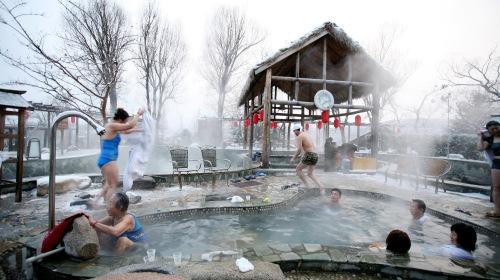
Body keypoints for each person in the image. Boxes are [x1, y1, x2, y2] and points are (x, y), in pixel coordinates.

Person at [97, 108, 144, 201]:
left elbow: (126, 131)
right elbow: (130, 125)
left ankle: (94, 202)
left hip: (105, 159)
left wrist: (140, 130)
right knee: (113, 185)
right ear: (120, 119)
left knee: (108, 184)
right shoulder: (112, 125)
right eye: (124, 122)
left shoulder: (111, 127)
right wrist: (138, 113)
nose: (124, 124)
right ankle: (109, 207)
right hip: (109, 159)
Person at [289, 123, 324, 191]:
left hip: (309, 154)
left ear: (297, 130)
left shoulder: (300, 136)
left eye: (294, 131)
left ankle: (308, 186)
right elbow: (310, 147)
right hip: (315, 155)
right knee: (310, 174)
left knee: (298, 169)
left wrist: (293, 158)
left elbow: (299, 149)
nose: (294, 133)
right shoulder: (306, 135)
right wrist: (303, 156)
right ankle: (321, 187)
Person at [477, 120, 500, 218]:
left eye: (497, 127)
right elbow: (480, 148)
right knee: (496, 188)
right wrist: (480, 137)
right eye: (492, 129)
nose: (495, 130)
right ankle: (498, 210)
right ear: (489, 131)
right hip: (497, 163)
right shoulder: (490, 139)